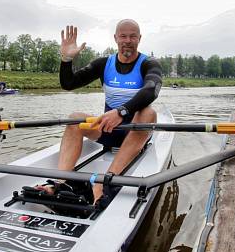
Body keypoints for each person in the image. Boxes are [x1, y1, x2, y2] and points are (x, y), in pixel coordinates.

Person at [33, 19, 163, 205]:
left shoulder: (148, 64)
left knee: (149, 112)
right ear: (116, 38)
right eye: (123, 36)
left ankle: (106, 181)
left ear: (139, 39)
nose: (127, 40)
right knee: (75, 119)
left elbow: (151, 89)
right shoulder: (104, 64)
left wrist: (121, 112)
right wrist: (66, 60)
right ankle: (60, 183)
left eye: (132, 36)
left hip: (135, 131)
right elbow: (68, 84)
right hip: (109, 130)